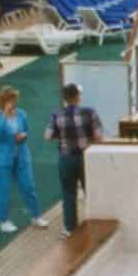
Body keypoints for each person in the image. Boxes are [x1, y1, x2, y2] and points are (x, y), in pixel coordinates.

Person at [45, 82, 104, 240]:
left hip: (66, 158)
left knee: (68, 193)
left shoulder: (56, 114)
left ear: (65, 98)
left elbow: (48, 135)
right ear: (77, 96)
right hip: (86, 157)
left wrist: (62, 136)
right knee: (90, 191)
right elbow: (99, 136)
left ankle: (70, 228)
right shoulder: (90, 112)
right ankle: (95, 223)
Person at [0, 85, 41, 232]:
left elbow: (26, 130)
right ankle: (3, 221)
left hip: (22, 157)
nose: (13, 103)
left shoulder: (22, 114)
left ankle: (36, 216)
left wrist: (23, 135)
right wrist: (5, 114)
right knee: (3, 191)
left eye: (14, 100)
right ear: (3, 101)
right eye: (10, 100)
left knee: (29, 187)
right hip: (1, 160)